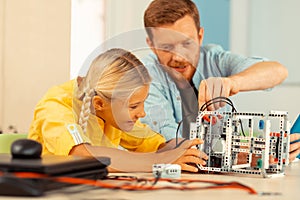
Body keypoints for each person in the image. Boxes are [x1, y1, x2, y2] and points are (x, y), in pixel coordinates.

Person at [139, 0, 299, 162]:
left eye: (187, 43)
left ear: (200, 37)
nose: (179, 57)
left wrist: (233, 83)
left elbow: (278, 71)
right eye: (166, 47)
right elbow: (169, 147)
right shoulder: (144, 77)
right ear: (151, 45)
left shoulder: (214, 59)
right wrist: (238, 156)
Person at [28, 48, 208, 173]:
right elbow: (82, 155)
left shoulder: (112, 113)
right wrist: (162, 161)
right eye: (133, 106)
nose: (142, 113)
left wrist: (186, 149)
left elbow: (154, 144)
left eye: (142, 103)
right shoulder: (56, 105)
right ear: (99, 104)